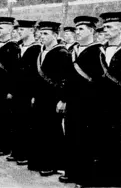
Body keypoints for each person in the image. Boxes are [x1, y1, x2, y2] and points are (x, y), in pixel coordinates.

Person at [60, 16, 106, 187]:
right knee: (72, 137)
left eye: (81, 29)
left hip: (90, 104)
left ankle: (86, 178)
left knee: (87, 141)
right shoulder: (73, 51)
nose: (77, 32)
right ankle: (72, 172)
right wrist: (63, 99)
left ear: (92, 31)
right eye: (76, 29)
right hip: (72, 102)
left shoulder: (98, 51)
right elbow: (66, 78)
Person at [32, 21, 71, 176]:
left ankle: (54, 164)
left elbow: (65, 78)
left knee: (53, 130)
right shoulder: (42, 51)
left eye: (46, 33)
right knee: (41, 129)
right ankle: (41, 161)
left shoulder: (61, 53)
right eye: (41, 33)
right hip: (41, 97)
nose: (42, 36)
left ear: (55, 35)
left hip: (54, 98)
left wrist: (62, 99)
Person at [7, 20, 42, 166]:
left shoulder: (37, 49)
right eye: (18, 29)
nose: (19, 32)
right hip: (17, 91)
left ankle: (25, 154)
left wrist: (35, 94)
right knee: (16, 121)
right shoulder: (19, 47)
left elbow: (37, 75)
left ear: (31, 31)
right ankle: (17, 151)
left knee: (27, 123)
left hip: (29, 91)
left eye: (22, 29)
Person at [0, 17, 20, 157]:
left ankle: (5, 147)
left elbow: (15, 72)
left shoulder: (13, 47)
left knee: (5, 118)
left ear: (10, 29)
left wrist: (11, 90)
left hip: (6, 89)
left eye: (1, 27)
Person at [96, 11, 121, 187]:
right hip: (98, 104)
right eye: (104, 26)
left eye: (109, 27)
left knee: (115, 144)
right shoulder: (101, 50)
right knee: (99, 141)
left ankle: (114, 181)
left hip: (118, 105)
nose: (105, 30)